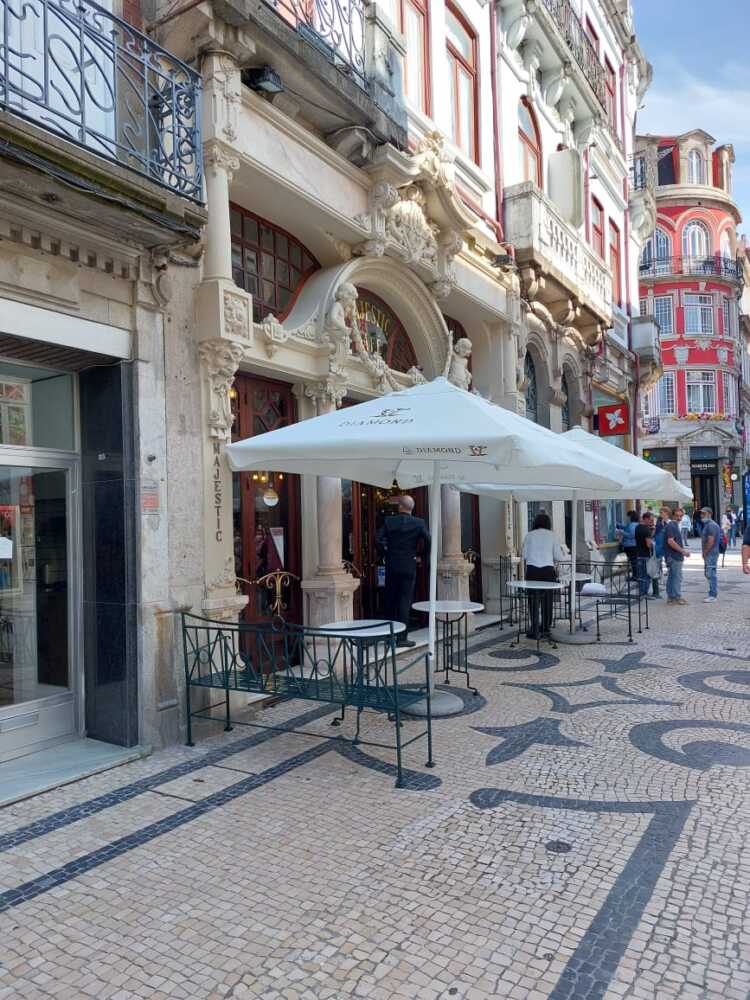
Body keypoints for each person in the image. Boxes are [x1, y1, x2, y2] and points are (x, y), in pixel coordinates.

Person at [376, 495, 430, 648]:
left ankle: (388, 636)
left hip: (392, 564)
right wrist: (420, 556)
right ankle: (402, 638)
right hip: (408, 565)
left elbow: (377, 539)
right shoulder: (419, 523)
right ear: (411, 508)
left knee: (390, 600)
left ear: (400, 506)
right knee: (404, 602)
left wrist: (385, 553)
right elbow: (429, 541)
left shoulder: (389, 521)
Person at [521, 511, 564, 639]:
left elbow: (524, 555)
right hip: (547, 571)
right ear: (548, 524)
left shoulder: (529, 535)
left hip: (532, 570)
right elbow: (558, 556)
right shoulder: (553, 536)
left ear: (535, 523)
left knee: (533, 600)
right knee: (547, 600)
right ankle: (545, 628)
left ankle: (534, 628)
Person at [665, 507, 690, 605]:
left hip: (673, 556)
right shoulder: (672, 525)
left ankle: (671, 597)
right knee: (677, 577)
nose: (679, 518)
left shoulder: (673, 525)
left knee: (672, 576)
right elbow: (670, 541)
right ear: (673, 515)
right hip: (674, 556)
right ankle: (676, 597)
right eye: (677, 516)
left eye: (681, 516)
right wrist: (683, 551)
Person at [700, 506, 720, 603]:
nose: (702, 515)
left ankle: (713, 595)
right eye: (701, 513)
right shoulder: (708, 525)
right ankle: (712, 593)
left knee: (710, 574)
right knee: (709, 573)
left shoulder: (711, 525)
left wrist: (705, 552)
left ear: (709, 514)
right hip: (710, 553)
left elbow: (711, 541)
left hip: (711, 553)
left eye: (704, 513)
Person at [651, 507, 671, 598]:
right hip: (659, 547)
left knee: (669, 564)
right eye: (660, 512)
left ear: (667, 513)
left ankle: (669, 580)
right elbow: (655, 534)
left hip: (667, 547)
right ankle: (660, 578)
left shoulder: (670, 523)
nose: (660, 513)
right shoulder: (659, 522)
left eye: (661, 512)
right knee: (657, 564)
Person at [634, 511, 655, 597]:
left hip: (638, 554)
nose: (652, 522)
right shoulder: (646, 529)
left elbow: (642, 538)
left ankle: (641, 593)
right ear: (645, 519)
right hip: (646, 555)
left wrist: (652, 532)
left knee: (641, 575)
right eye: (650, 520)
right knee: (646, 575)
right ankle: (645, 593)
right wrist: (653, 545)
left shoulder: (638, 527)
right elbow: (648, 544)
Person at [616, 510, 639, 579]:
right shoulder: (635, 524)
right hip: (633, 545)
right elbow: (625, 527)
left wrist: (621, 532)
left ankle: (635, 576)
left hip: (630, 546)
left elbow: (631, 535)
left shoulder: (632, 525)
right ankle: (636, 576)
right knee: (634, 562)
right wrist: (617, 524)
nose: (626, 518)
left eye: (628, 516)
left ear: (630, 517)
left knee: (633, 562)